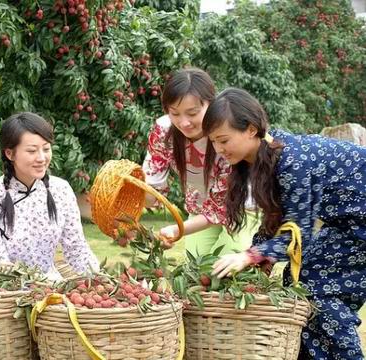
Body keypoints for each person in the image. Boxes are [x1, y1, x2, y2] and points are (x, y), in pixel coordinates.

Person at [207, 88, 366, 359]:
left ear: (250, 129)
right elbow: (276, 220)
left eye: (223, 140)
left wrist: (250, 256)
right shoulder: (262, 157)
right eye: (213, 142)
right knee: (298, 286)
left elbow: (298, 233)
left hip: (358, 221)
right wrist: (258, 261)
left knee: (315, 288)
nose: (218, 149)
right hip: (343, 223)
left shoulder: (291, 160)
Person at [0, 112, 99, 280]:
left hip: (55, 293)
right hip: (9, 296)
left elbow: (77, 249)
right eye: (32, 151)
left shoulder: (61, 190)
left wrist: (101, 281)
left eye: (46, 149)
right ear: (10, 154)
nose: (41, 158)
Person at [143, 67, 258, 256]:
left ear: (211, 104)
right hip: (200, 208)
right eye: (175, 113)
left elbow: (220, 206)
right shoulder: (164, 131)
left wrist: (176, 230)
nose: (184, 122)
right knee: (197, 269)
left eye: (192, 113)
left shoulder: (225, 137)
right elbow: (151, 187)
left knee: (229, 267)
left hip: (243, 207)